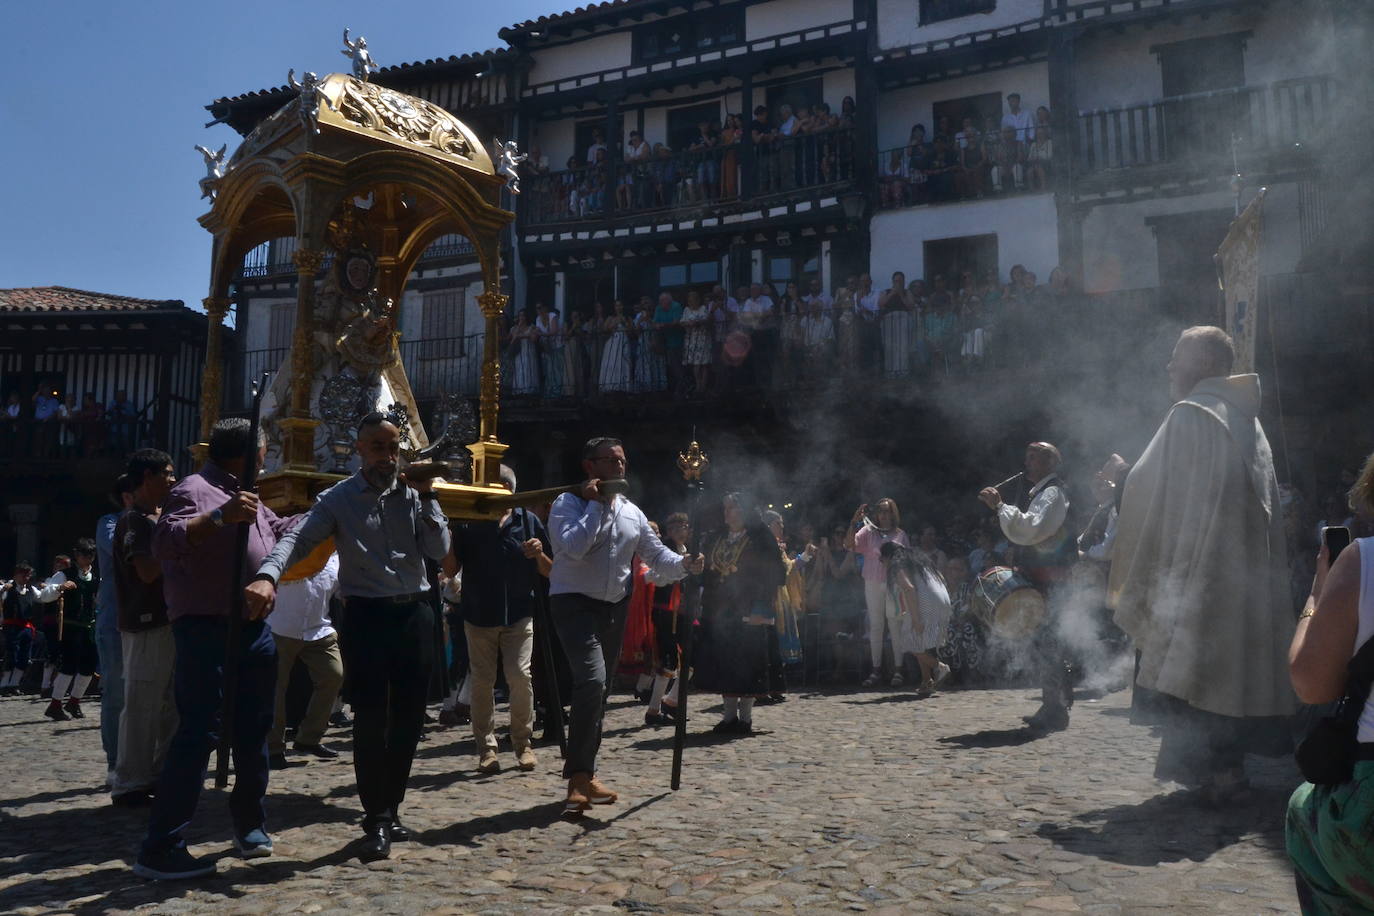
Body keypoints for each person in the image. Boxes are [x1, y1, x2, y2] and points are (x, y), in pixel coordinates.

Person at [247, 413, 451, 861]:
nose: (389, 456)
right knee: (372, 718)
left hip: (416, 613)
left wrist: (429, 496)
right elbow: (295, 542)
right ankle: (375, 817)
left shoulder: (413, 496)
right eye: (378, 447)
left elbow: (438, 551)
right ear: (360, 450)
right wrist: (268, 576)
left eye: (394, 447)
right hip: (369, 618)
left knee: (410, 720)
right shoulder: (338, 500)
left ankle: (392, 806)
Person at [1108, 327, 1296, 798]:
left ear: (1208, 364)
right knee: (1228, 673)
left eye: (1178, 357)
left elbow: (1155, 491)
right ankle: (1222, 770)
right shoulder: (1246, 420)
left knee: (1200, 670)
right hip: (1240, 578)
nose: (1170, 367)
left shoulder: (1192, 414)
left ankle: (1218, 772)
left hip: (1202, 574)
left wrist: (1120, 480)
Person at [134, 418, 290, 880]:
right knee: (198, 732)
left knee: (253, 729)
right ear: (250, 454)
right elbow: (164, 541)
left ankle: (249, 824)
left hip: (251, 628)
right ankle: (161, 847)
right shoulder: (194, 488)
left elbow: (273, 530)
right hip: (205, 628)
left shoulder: (252, 494)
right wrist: (221, 515)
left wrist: (320, 514)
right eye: (265, 452)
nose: (267, 459)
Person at [546, 437, 702, 813]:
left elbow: (656, 554)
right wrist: (597, 506)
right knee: (593, 680)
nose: (620, 467)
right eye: (611, 460)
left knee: (599, 693)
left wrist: (684, 565)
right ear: (590, 465)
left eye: (623, 460)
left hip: (614, 607)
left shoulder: (632, 511)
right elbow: (573, 547)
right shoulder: (567, 503)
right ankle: (578, 778)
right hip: (574, 603)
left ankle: (587, 774)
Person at [1286, 449, 1374, 912]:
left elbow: (1311, 684)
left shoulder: (1363, 560)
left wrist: (1318, 593)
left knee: (1305, 810)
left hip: (1368, 810)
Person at [446, 464, 551, 774]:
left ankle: (523, 743)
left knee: (520, 676)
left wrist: (538, 554)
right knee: (482, 682)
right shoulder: (468, 522)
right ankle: (487, 748)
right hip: (479, 614)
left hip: (519, 612)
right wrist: (447, 533)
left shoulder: (528, 521)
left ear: (508, 490)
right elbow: (450, 569)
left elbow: (549, 570)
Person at [979, 441, 1076, 731]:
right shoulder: (1043, 492)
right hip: (1045, 578)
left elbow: (1032, 528)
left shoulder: (1052, 492)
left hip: (1052, 581)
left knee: (1050, 643)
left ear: (1049, 463)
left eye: (1034, 458)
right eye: (1028, 457)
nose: (1027, 462)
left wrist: (999, 506)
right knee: (1045, 643)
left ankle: (1056, 709)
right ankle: (1052, 705)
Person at [111, 450, 179, 807]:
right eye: (167, 473)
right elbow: (147, 571)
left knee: (169, 705)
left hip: (167, 620)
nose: (172, 479)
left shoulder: (159, 517)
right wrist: (183, 547)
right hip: (145, 623)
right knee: (141, 704)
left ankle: (158, 772)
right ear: (148, 477)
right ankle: (129, 781)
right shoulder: (134, 521)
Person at [693, 493, 787, 733]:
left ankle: (745, 719)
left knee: (748, 663)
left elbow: (773, 574)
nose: (726, 513)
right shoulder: (719, 537)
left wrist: (761, 607)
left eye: (731, 508)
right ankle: (728, 718)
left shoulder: (759, 538)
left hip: (749, 608)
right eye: (725, 508)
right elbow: (708, 572)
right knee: (726, 663)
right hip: (722, 611)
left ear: (743, 511)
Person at [265, 545, 345, 769]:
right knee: (276, 688)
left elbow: (342, 591)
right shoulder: (287, 550)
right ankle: (273, 748)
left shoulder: (337, 557)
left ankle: (308, 738)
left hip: (318, 629)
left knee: (333, 675)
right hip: (281, 627)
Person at [845, 498, 911, 687]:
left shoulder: (901, 535)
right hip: (872, 583)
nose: (883, 514)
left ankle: (898, 670)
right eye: (881, 511)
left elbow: (907, 561)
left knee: (895, 626)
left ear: (893, 513)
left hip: (894, 584)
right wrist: (853, 522)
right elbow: (849, 545)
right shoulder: (869, 532)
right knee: (876, 626)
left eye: (887, 510)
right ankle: (876, 671)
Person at [96, 475, 136, 783]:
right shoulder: (109, 523)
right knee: (116, 693)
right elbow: (125, 554)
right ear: (127, 495)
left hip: (149, 618)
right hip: (115, 619)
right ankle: (115, 762)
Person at [39, 539, 100, 721]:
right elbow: (44, 596)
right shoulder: (65, 574)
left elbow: (100, 599)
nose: (88, 558)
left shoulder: (95, 577)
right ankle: (55, 704)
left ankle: (74, 701)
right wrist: (60, 587)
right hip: (70, 626)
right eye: (84, 554)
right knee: (69, 665)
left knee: (89, 666)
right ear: (77, 555)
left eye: (91, 555)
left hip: (89, 626)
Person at [881, 542, 952, 696]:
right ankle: (926, 681)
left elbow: (908, 588)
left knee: (908, 641)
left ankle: (940, 667)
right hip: (943, 600)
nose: (882, 563)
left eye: (881, 560)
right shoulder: (918, 559)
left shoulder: (896, 564)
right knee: (919, 642)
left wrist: (916, 619)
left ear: (887, 557)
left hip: (927, 603)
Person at [643, 512, 690, 726]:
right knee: (668, 660)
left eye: (686, 526)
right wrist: (672, 575)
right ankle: (653, 710)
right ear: (670, 530)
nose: (684, 531)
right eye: (679, 527)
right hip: (665, 611)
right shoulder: (664, 550)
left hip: (681, 612)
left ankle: (671, 701)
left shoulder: (685, 551)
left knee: (690, 658)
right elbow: (650, 576)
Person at [1, 563, 39, 695]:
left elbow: (43, 596)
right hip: (11, 627)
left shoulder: (31, 590)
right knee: (11, 655)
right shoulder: (7, 588)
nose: (26, 578)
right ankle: (4, 684)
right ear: (16, 574)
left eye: (28, 575)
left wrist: (57, 588)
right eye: (24, 575)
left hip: (27, 628)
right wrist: (2, 590)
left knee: (24, 656)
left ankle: (14, 684)